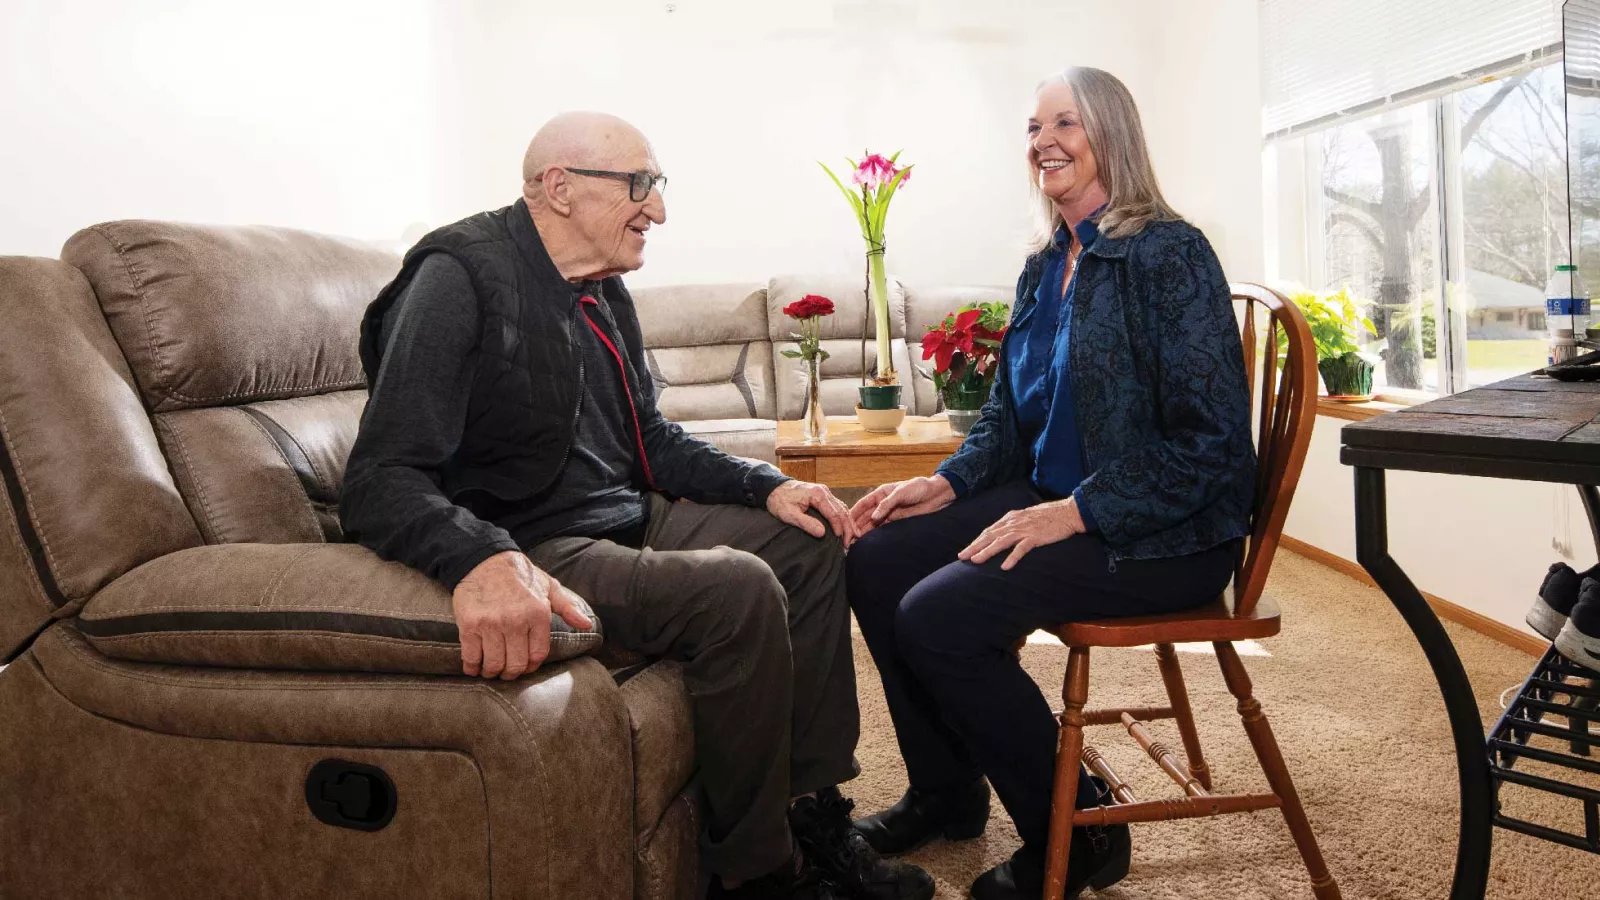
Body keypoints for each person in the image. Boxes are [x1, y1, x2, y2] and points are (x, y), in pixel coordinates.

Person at [341, 111, 933, 900]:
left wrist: (772, 485)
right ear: (559, 188)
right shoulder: (458, 277)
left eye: (654, 187)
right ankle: (759, 876)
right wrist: (479, 557)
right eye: (640, 186)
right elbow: (381, 474)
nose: (656, 210)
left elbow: (652, 440)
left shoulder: (602, 289)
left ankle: (809, 816)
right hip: (540, 543)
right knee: (738, 586)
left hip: (626, 513)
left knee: (810, 538)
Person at [844, 68, 1257, 900]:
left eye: (1064, 122)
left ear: (1112, 134)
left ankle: (1080, 827)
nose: (1043, 142)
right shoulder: (1046, 265)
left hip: (1162, 533)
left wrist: (1078, 511)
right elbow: (1006, 417)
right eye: (1033, 128)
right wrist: (949, 484)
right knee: (876, 559)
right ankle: (947, 791)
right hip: (1056, 502)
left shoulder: (1168, 253)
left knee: (939, 617)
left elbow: (1212, 445)